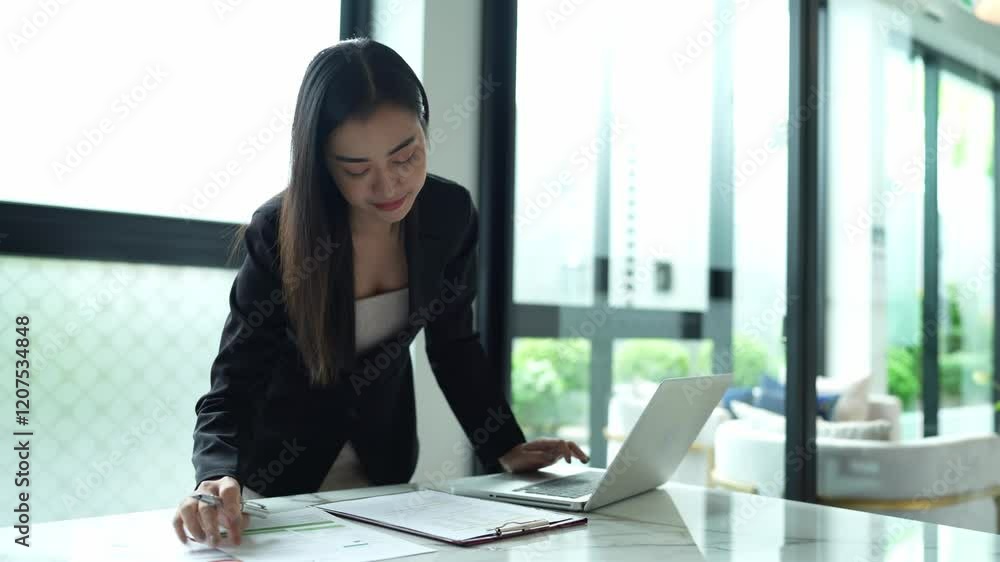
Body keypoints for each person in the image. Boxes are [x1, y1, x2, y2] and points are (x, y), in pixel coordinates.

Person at [172, 38, 588, 547]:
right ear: (322, 162)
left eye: (406, 154)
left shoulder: (449, 214)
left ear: (425, 128)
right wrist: (216, 474)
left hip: (384, 479)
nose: (389, 185)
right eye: (356, 169)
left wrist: (503, 443)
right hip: (274, 485)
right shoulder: (280, 230)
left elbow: (454, 345)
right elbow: (236, 379)